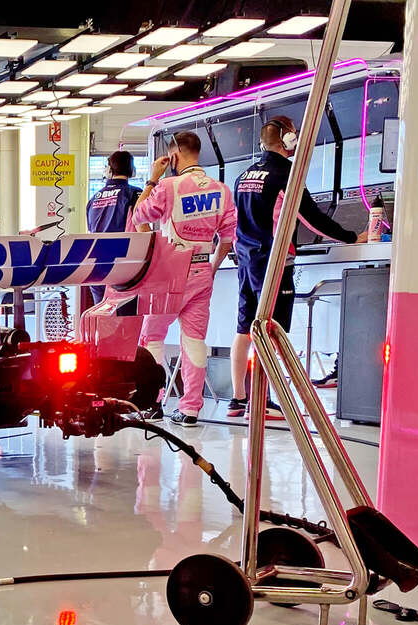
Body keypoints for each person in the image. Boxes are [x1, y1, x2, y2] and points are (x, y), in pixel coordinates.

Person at [229, 116, 365, 419]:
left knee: (244, 328)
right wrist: (352, 236)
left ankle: (239, 399)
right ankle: (260, 401)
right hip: (274, 261)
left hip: (246, 258)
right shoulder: (285, 174)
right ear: (287, 140)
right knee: (272, 331)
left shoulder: (244, 175)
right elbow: (311, 216)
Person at [130, 131, 237, 427]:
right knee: (194, 342)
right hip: (202, 273)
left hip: (168, 275)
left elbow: (138, 216)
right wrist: (212, 267)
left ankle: (152, 403)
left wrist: (153, 177)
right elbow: (227, 239)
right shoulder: (221, 190)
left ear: (173, 156)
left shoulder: (168, 186)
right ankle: (190, 409)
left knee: (152, 337)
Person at [85, 151, 143, 305]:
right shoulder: (135, 194)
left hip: (95, 267)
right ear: (132, 170)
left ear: (109, 170)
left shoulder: (94, 198)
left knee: (101, 316)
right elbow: (143, 229)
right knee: (125, 320)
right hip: (123, 268)